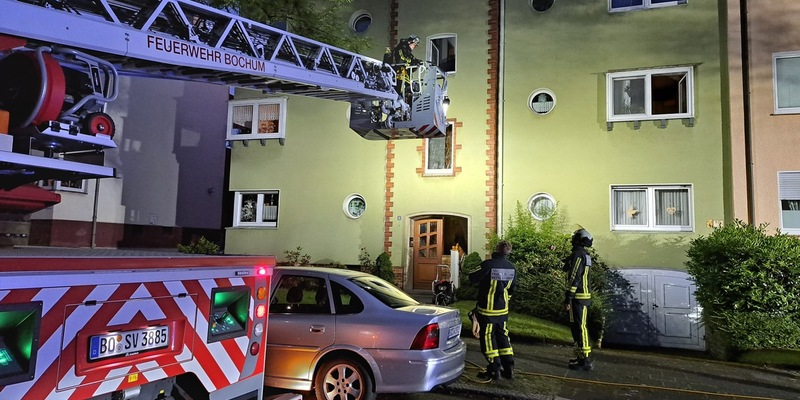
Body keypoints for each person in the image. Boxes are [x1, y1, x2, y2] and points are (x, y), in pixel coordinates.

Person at [469, 240, 517, 381]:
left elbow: (472, 276)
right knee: (503, 338)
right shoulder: (511, 268)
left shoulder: (488, 264)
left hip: (487, 311)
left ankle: (495, 369)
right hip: (502, 311)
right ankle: (509, 368)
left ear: (496, 250)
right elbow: (512, 289)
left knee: (488, 339)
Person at [563, 228, 594, 371]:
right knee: (578, 327)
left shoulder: (578, 255)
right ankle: (581, 356)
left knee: (579, 328)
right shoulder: (585, 255)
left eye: (575, 237)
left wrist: (568, 297)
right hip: (583, 296)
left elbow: (575, 276)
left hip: (578, 297)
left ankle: (585, 360)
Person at [389, 35, 422, 105]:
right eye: (414, 45)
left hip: (406, 77)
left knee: (411, 89)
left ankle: (407, 101)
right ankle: (397, 100)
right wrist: (411, 62)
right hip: (398, 74)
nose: (414, 47)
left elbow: (411, 67)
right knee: (397, 89)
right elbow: (401, 60)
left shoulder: (409, 53)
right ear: (410, 42)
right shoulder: (400, 48)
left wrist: (417, 63)